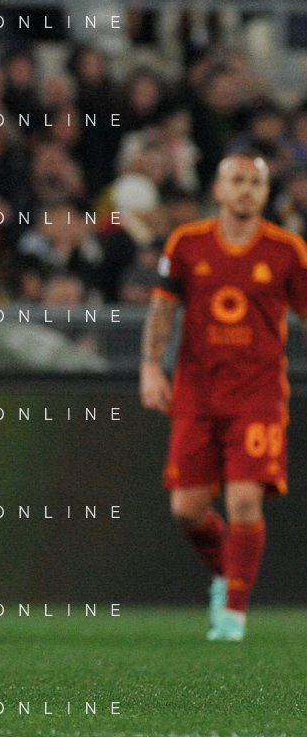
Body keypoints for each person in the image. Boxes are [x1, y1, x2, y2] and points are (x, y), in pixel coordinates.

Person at [141, 151, 307, 641]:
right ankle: (226, 574)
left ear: (266, 193)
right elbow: (163, 309)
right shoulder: (187, 243)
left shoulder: (287, 250)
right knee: (187, 509)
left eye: (255, 182)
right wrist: (150, 366)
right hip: (197, 392)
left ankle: (234, 612)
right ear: (217, 190)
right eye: (237, 180)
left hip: (259, 395)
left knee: (244, 501)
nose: (246, 190)